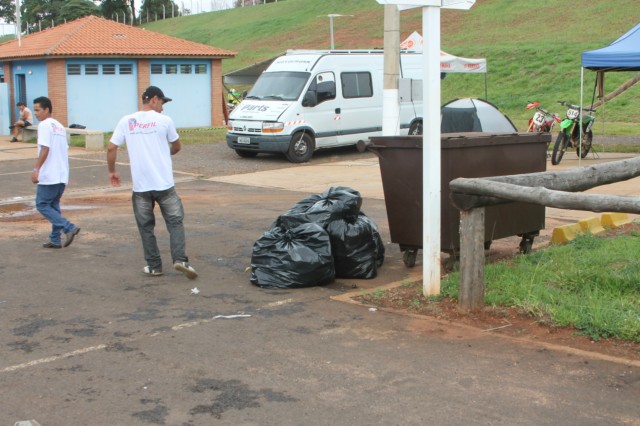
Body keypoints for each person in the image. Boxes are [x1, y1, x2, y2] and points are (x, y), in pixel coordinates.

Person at [107, 86, 198, 280]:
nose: (163, 108)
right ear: (154, 99)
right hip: (164, 185)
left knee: (146, 227)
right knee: (175, 223)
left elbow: (111, 147)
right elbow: (177, 145)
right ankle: (180, 260)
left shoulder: (127, 121)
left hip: (141, 187)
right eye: (162, 103)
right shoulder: (165, 121)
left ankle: (154, 266)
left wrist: (112, 171)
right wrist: (166, 153)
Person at [31, 96, 80, 249]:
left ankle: (68, 227)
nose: (35, 114)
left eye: (38, 110)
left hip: (50, 174)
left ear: (47, 109)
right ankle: (55, 239)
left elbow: (45, 148)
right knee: (53, 205)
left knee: (42, 204)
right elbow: (64, 149)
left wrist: (36, 169)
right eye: (34, 110)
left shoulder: (45, 125)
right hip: (61, 174)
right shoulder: (58, 126)